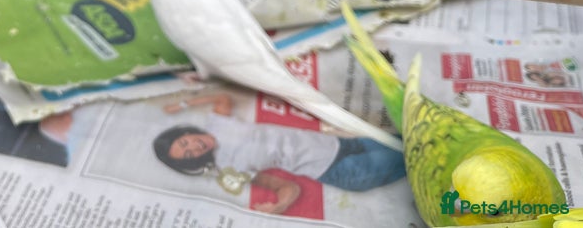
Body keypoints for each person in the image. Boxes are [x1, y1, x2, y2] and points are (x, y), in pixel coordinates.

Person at [152, 92, 406, 215]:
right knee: (417, 154)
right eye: (188, 155)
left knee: (409, 139)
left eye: (185, 143)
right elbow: (287, 187)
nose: (194, 148)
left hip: (342, 144)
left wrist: (182, 104)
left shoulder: (217, 123)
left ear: (185, 133)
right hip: (341, 171)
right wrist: (278, 206)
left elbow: (221, 97)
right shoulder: (229, 168)